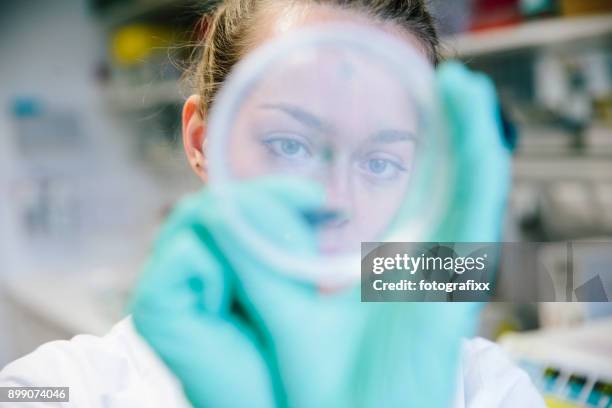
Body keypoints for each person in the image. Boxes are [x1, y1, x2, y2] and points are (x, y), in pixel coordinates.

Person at [0, 1, 545, 407]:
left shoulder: (486, 388)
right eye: (291, 145)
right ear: (201, 142)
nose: (336, 203)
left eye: (381, 162)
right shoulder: (62, 388)